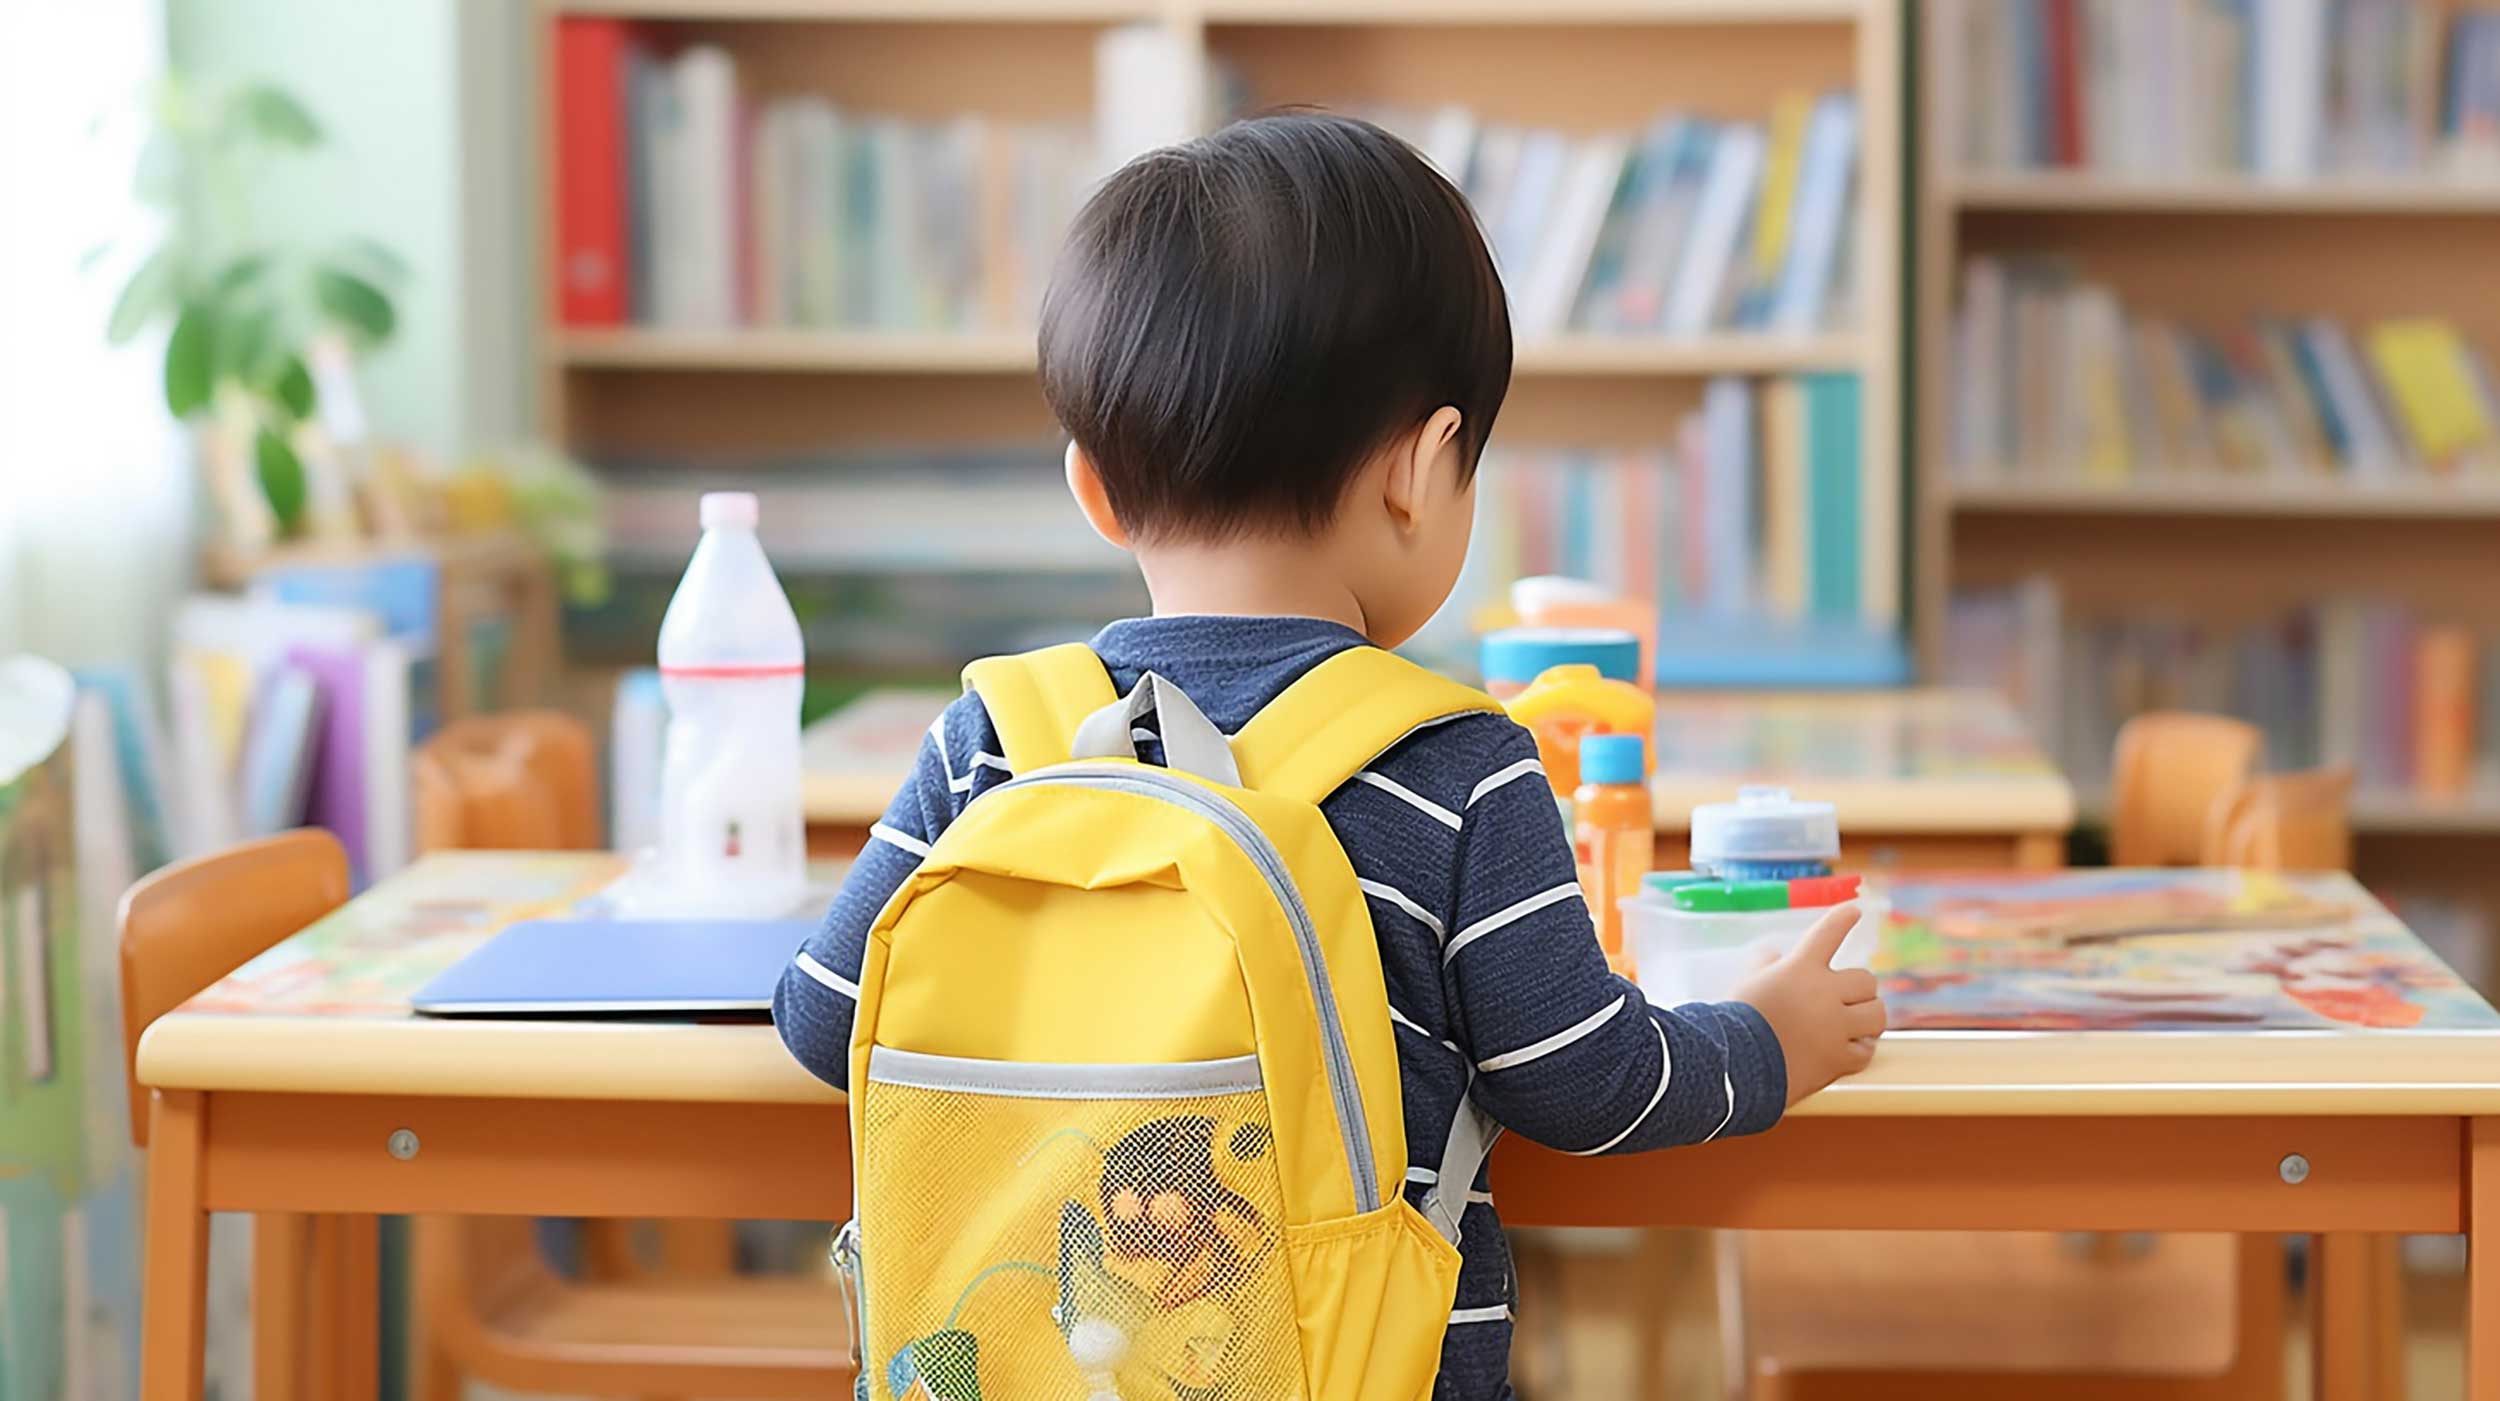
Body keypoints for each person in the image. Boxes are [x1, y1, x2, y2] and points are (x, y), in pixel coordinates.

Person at [773, 110, 1884, 1400]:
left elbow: (825, 1020)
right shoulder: (1458, 764)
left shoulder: (993, 738)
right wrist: (1767, 1041)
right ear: (1422, 470)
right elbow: (1585, 1081)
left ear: (1093, 489)